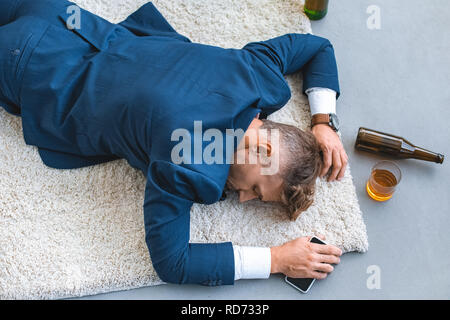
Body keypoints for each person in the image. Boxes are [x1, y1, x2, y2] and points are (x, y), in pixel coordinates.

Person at [0, 0, 345, 286]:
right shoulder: (190, 159)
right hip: (28, 65)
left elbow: (315, 47)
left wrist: (323, 122)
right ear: (264, 149)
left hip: (66, 19)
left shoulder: (255, 71)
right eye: (257, 188)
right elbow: (174, 263)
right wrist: (276, 259)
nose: (243, 198)